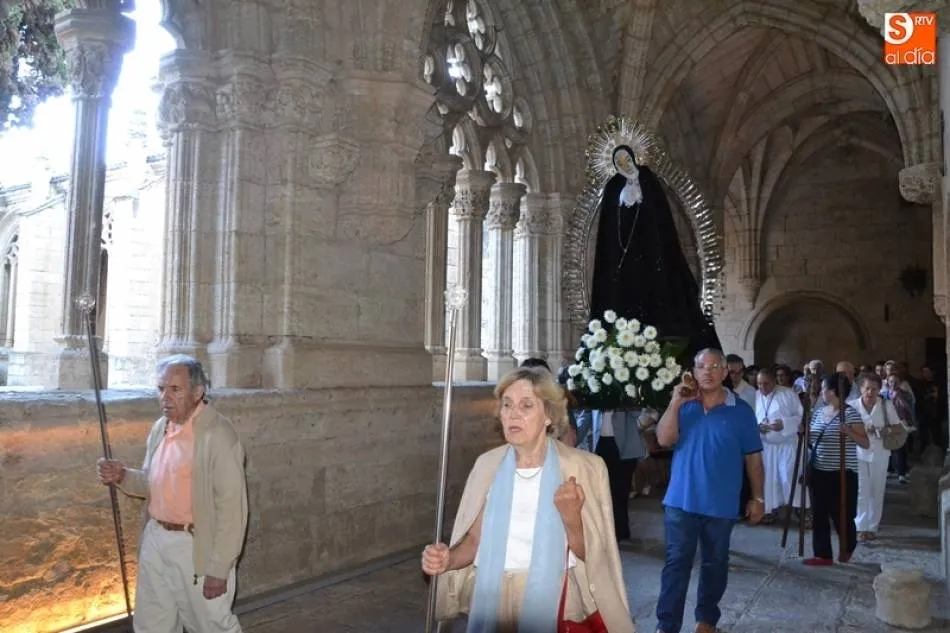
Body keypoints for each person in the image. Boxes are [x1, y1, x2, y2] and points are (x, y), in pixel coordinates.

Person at [423, 366, 635, 633]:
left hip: (557, 598)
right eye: (507, 405)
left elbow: (594, 554)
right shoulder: (488, 465)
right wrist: (447, 560)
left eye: (526, 406)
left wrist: (571, 519)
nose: (513, 414)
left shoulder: (584, 467)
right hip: (493, 596)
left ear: (548, 415)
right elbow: (476, 540)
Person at [96, 355, 248, 633]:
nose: (165, 397)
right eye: (160, 389)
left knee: (211, 625)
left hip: (195, 546)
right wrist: (122, 476)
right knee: (152, 625)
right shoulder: (160, 428)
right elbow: (151, 484)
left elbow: (232, 509)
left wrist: (220, 568)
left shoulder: (218, 435)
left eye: (174, 389)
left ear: (197, 392)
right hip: (156, 539)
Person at [653, 348, 765, 633]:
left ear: (726, 372)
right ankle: (667, 624)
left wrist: (758, 498)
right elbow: (664, 439)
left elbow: (753, 457)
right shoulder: (684, 405)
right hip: (681, 502)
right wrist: (675, 403)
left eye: (716, 366)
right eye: (702, 366)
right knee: (676, 565)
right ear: (694, 370)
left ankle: (706, 620)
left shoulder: (740, 411)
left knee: (715, 565)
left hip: (721, 504)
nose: (708, 372)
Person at [588, 144, 721, 359]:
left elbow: (660, 218)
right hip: (622, 258)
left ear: (633, 158)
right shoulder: (614, 186)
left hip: (653, 253)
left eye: (626, 159)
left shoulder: (648, 180)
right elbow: (609, 228)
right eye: (618, 162)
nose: (623, 164)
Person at [804, 373, 869, 566]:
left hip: (842, 472)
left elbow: (865, 443)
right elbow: (813, 439)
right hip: (819, 470)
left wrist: (849, 431)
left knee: (842, 513)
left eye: (824, 388)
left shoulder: (850, 414)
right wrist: (805, 434)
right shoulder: (818, 412)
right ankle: (822, 554)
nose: (821, 392)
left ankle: (847, 546)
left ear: (833, 391)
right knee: (819, 513)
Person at [848, 372, 899, 541]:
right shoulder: (852, 406)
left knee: (877, 489)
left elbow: (898, 427)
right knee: (861, 489)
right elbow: (845, 429)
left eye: (874, 389)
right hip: (858, 453)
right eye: (867, 388)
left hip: (880, 452)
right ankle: (860, 526)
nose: (870, 392)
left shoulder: (886, 405)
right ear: (861, 388)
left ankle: (872, 527)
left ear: (879, 390)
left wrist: (885, 431)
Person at [755, 367, 803, 523]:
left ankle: (800, 509)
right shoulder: (755, 396)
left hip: (787, 444)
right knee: (769, 479)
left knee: (789, 476)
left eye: (766, 384)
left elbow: (800, 416)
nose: (762, 388)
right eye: (759, 384)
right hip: (766, 446)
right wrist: (758, 427)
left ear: (774, 381)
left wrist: (784, 424)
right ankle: (770, 510)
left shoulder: (788, 394)